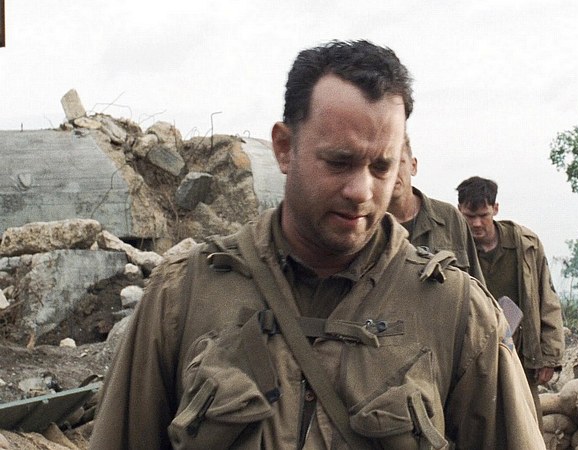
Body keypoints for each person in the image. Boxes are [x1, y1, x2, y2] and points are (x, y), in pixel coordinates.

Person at [90, 40, 544, 449]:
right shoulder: (183, 295)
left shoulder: (459, 314)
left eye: (381, 167)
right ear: (284, 148)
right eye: (339, 162)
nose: (361, 191)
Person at [456, 176, 565, 427]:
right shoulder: (454, 248)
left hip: (519, 354)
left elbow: (547, 300)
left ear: (495, 209)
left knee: (525, 425)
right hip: (471, 359)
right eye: (469, 216)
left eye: (483, 215)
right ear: (459, 210)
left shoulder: (525, 245)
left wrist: (549, 357)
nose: (477, 223)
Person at [387, 135, 484, 282]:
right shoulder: (367, 224)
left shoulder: (449, 218)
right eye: (383, 165)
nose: (392, 172)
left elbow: (476, 284)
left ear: (413, 166)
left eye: (399, 162)